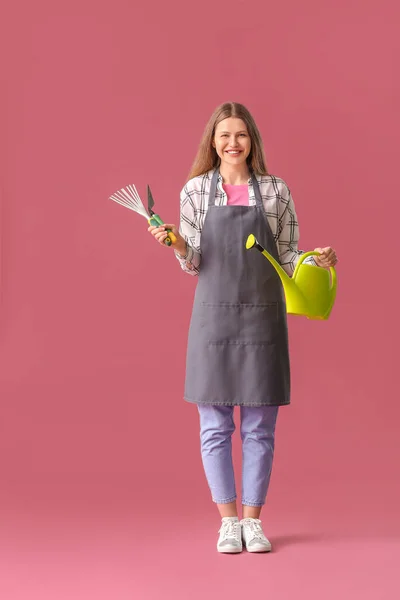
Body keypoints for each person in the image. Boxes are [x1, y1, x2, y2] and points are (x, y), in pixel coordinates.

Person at [148, 102, 337, 554]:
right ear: (212, 142)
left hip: (262, 314)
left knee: (260, 424)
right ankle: (227, 521)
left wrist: (317, 260)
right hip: (213, 314)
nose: (233, 143)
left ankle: (253, 520)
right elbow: (195, 263)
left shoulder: (275, 191)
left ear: (252, 141)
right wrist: (176, 244)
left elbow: (288, 255)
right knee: (214, 424)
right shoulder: (194, 191)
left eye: (241, 135)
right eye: (224, 135)